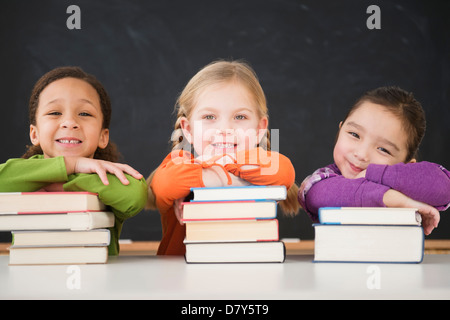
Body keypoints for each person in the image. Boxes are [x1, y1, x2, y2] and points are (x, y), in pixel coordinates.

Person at [147, 60, 300, 255]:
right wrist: (224, 176)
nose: (225, 129)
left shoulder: (266, 162)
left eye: (240, 117)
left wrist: (213, 169)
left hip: (250, 274)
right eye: (209, 117)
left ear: (259, 129)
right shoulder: (178, 163)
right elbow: (166, 184)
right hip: (183, 278)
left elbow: (284, 172)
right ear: (188, 129)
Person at [0, 66, 147, 255]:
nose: (69, 122)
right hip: (31, 278)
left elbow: (135, 196)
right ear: (34, 134)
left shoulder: (108, 177)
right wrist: (73, 164)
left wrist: (57, 179)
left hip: (100, 280)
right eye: (54, 112)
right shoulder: (23, 171)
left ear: (103, 137)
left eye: (85, 113)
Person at [298, 86, 450, 235]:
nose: (362, 154)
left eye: (383, 149)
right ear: (340, 130)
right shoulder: (323, 179)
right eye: (354, 134)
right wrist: (394, 199)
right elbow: (316, 196)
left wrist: (374, 173)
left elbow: (444, 188)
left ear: (406, 165)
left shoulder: (403, 179)